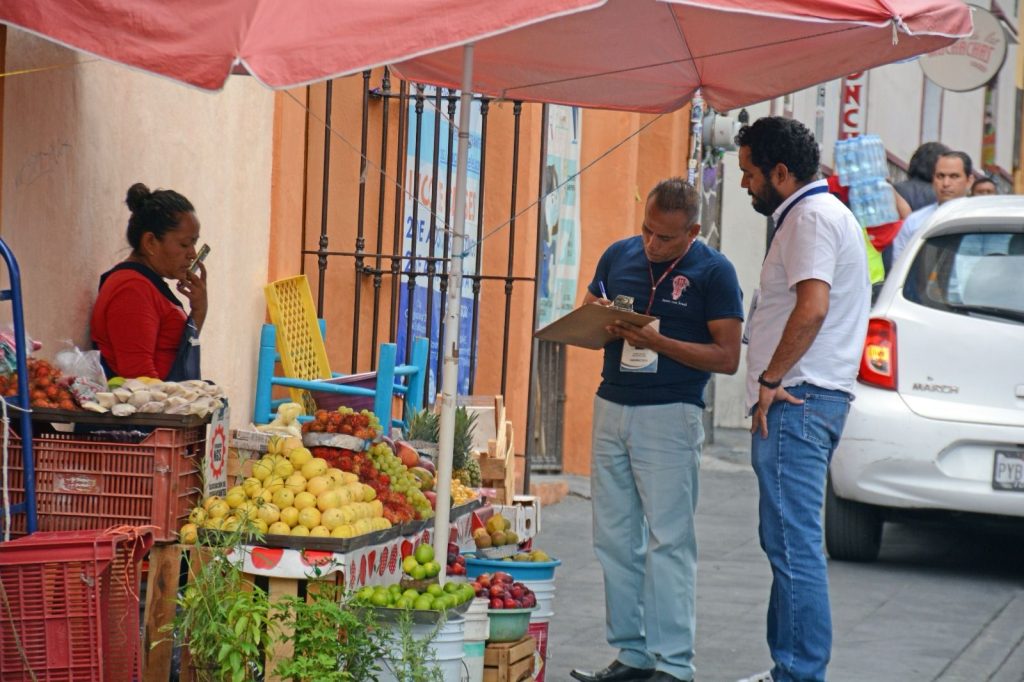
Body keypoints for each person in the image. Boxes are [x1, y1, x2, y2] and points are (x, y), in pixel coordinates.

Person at [570, 178, 743, 682]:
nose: (652, 243)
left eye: (665, 237)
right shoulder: (618, 255)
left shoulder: (714, 272)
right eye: (646, 230)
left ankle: (674, 664)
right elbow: (590, 309)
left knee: (669, 540)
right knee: (614, 539)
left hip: (671, 413)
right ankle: (632, 654)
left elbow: (728, 358)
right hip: (611, 404)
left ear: (691, 231)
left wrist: (658, 341)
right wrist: (597, 322)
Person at [734, 117, 870, 682]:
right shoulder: (812, 214)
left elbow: (811, 308)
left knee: (793, 545)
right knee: (784, 540)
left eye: (748, 173)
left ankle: (797, 672)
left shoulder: (810, 218)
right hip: (805, 398)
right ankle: (787, 667)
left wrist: (770, 380)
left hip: (797, 399)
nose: (744, 185)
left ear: (780, 172)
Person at [91, 183, 207, 380]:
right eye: (184, 244)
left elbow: (176, 352)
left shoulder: (147, 284)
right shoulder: (132, 290)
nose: (192, 255)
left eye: (194, 244)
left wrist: (198, 309)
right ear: (150, 242)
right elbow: (139, 381)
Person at [891, 151, 974, 261]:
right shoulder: (914, 222)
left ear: (969, 181)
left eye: (954, 176)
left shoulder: (980, 220)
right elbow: (900, 265)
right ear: (933, 179)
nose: (946, 183)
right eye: (940, 176)